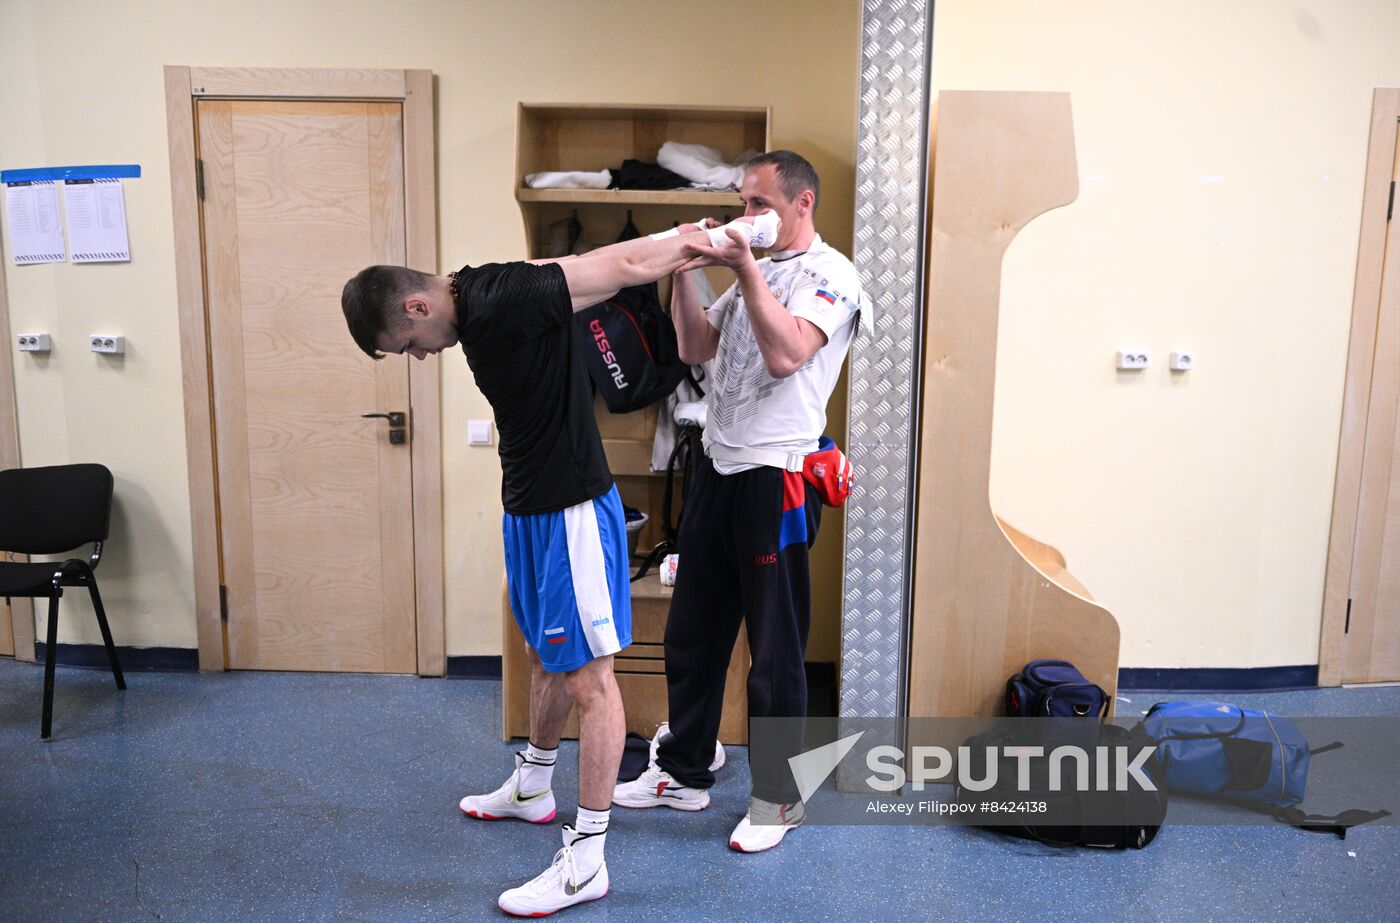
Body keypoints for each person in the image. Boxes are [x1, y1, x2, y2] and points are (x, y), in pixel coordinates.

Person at [339, 212, 778, 918]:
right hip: (530, 510)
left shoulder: (500, 294)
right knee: (546, 658)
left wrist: (706, 239)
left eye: (409, 344)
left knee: (591, 682)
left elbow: (621, 264)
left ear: (416, 307)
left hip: (572, 509)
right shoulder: (482, 304)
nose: (419, 356)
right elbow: (598, 278)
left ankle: (588, 858)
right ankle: (533, 784)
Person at [612, 151, 865, 853]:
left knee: (775, 649)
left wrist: (745, 266)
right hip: (720, 469)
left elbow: (787, 355)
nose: (748, 217)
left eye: (761, 204)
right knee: (693, 633)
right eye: (742, 203)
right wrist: (687, 266)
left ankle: (780, 798)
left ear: (803, 203)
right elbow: (695, 346)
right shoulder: (761, 268)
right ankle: (686, 770)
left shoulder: (829, 275)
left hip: (776, 475)